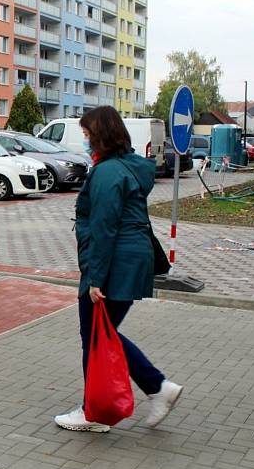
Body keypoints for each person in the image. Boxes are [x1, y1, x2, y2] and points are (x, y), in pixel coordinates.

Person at [55, 106, 183, 433]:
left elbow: (104, 227)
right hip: (131, 258)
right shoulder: (127, 166)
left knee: (96, 335)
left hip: (115, 262)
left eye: (87, 135)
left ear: (100, 136)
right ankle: (153, 389)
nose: (84, 141)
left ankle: (96, 411)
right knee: (103, 334)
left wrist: (95, 278)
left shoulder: (108, 172)